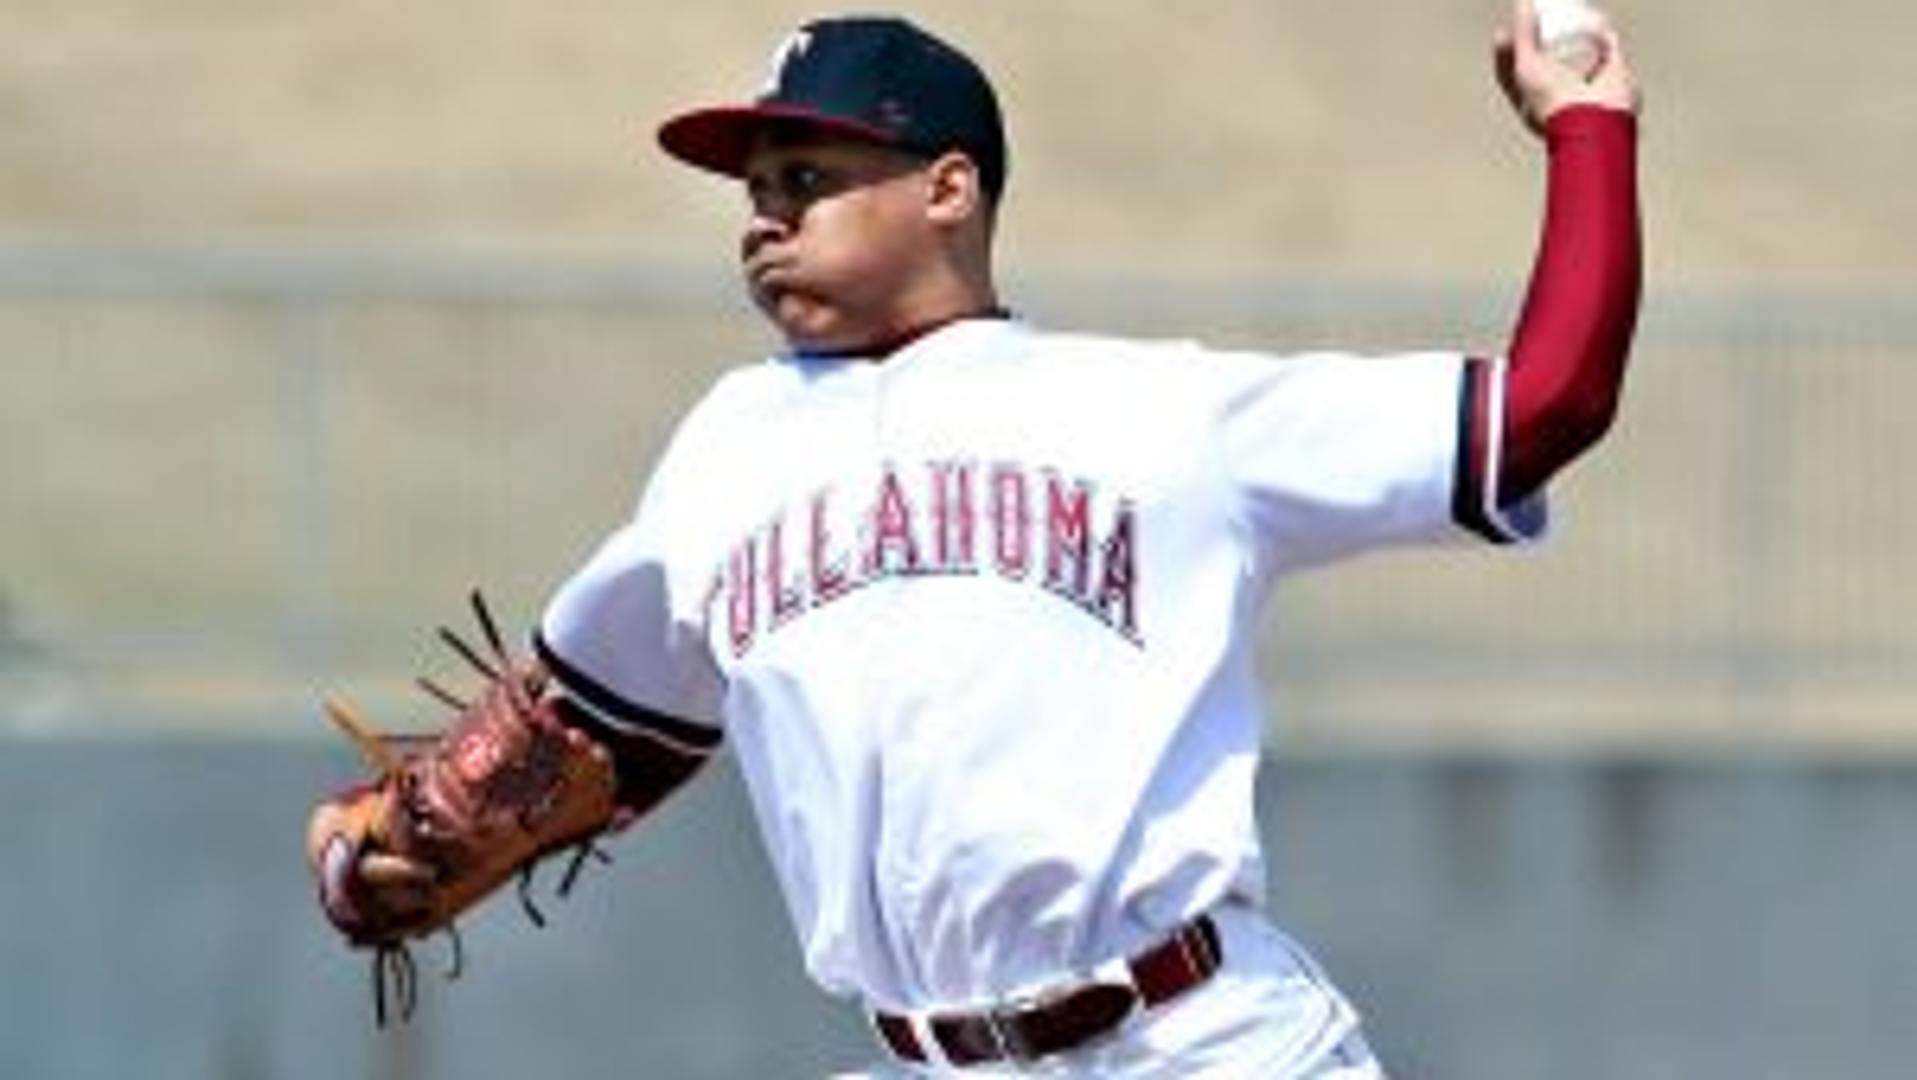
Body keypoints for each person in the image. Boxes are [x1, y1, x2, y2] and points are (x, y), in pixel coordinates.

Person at [332, 3, 1641, 1075]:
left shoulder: (1165, 413)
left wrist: (1584, 129)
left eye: (807, 180)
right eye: (754, 190)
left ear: (947, 186)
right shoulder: (726, 452)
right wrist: (382, 848)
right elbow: (578, 739)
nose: (761, 217)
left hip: (1202, 1044)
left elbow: (1542, 407)